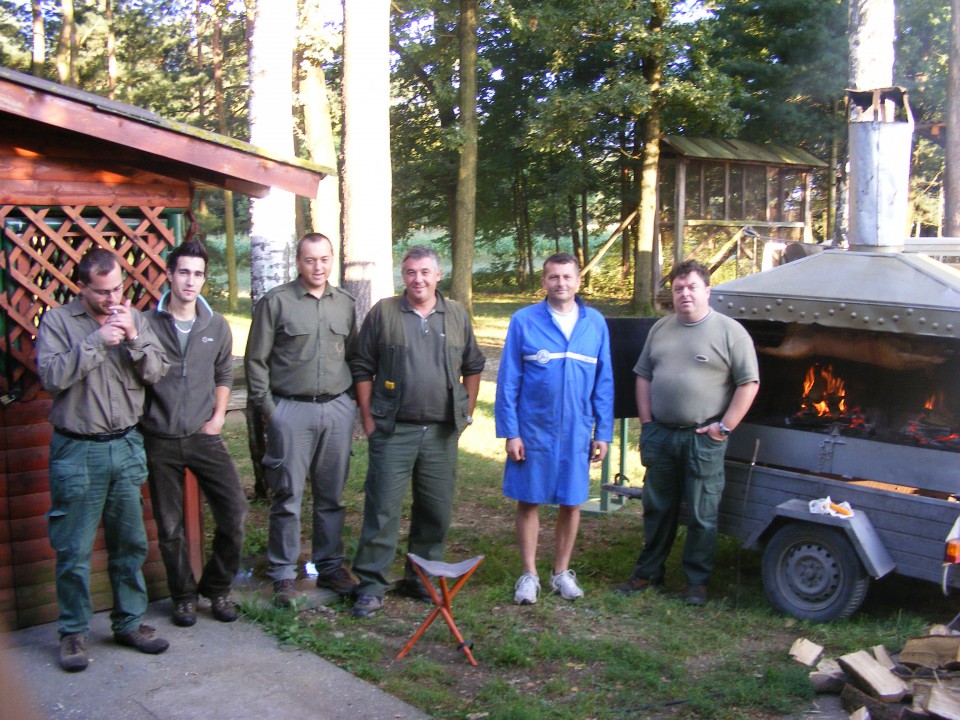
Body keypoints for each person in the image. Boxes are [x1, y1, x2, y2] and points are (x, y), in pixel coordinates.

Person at [36, 248, 171, 672]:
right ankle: (73, 633)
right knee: (73, 549)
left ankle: (128, 622)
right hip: (77, 450)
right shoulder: (58, 322)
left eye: (118, 288)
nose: (113, 298)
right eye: (102, 292)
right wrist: (97, 342)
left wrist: (132, 337)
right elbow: (52, 376)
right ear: (82, 287)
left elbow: (156, 372)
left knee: (129, 543)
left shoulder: (136, 319)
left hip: (126, 445)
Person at [349, 245, 485, 618]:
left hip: (441, 432)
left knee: (435, 510)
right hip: (394, 430)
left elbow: (473, 364)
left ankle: (421, 578)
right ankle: (372, 585)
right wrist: (367, 416)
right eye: (410, 272)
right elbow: (362, 365)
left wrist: (466, 411)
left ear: (438, 274)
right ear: (403, 276)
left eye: (425, 272)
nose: (418, 279)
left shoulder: (455, 314)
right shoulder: (385, 313)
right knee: (382, 509)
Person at [617, 259, 759, 605]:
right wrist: (647, 422)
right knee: (657, 507)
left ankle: (697, 583)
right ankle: (648, 573)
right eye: (678, 288)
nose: (685, 294)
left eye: (692, 287)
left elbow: (748, 383)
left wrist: (724, 428)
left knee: (701, 512)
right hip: (661, 435)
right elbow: (643, 375)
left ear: (707, 291)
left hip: (703, 438)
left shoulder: (730, 332)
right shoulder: (661, 329)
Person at [244, 232, 359, 607]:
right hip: (290, 410)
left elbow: (354, 357)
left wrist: (353, 405)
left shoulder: (344, 303)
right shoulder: (276, 303)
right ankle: (282, 572)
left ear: (331, 260)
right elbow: (256, 360)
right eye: (310, 260)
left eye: (325, 259)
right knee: (288, 494)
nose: (318, 267)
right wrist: (270, 412)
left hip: (337, 408)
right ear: (298, 261)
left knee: (331, 494)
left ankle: (329, 564)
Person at [496, 253, 614, 605]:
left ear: (578, 281)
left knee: (572, 500)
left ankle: (561, 572)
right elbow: (507, 381)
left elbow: (604, 382)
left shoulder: (594, 324)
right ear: (543, 282)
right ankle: (529, 574)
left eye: (567, 277)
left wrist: (603, 432)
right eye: (553, 277)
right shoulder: (524, 321)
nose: (560, 283)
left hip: (577, 429)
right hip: (533, 429)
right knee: (529, 499)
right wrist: (511, 432)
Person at [141, 241, 248, 627]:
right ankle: (183, 597)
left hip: (204, 435)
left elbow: (223, 374)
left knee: (234, 512)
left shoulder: (215, 325)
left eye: (198, 273)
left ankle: (217, 589)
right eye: (184, 271)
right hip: (160, 438)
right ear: (170, 274)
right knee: (170, 527)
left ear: (205, 278)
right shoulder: (146, 323)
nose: (191, 280)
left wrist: (218, 417)